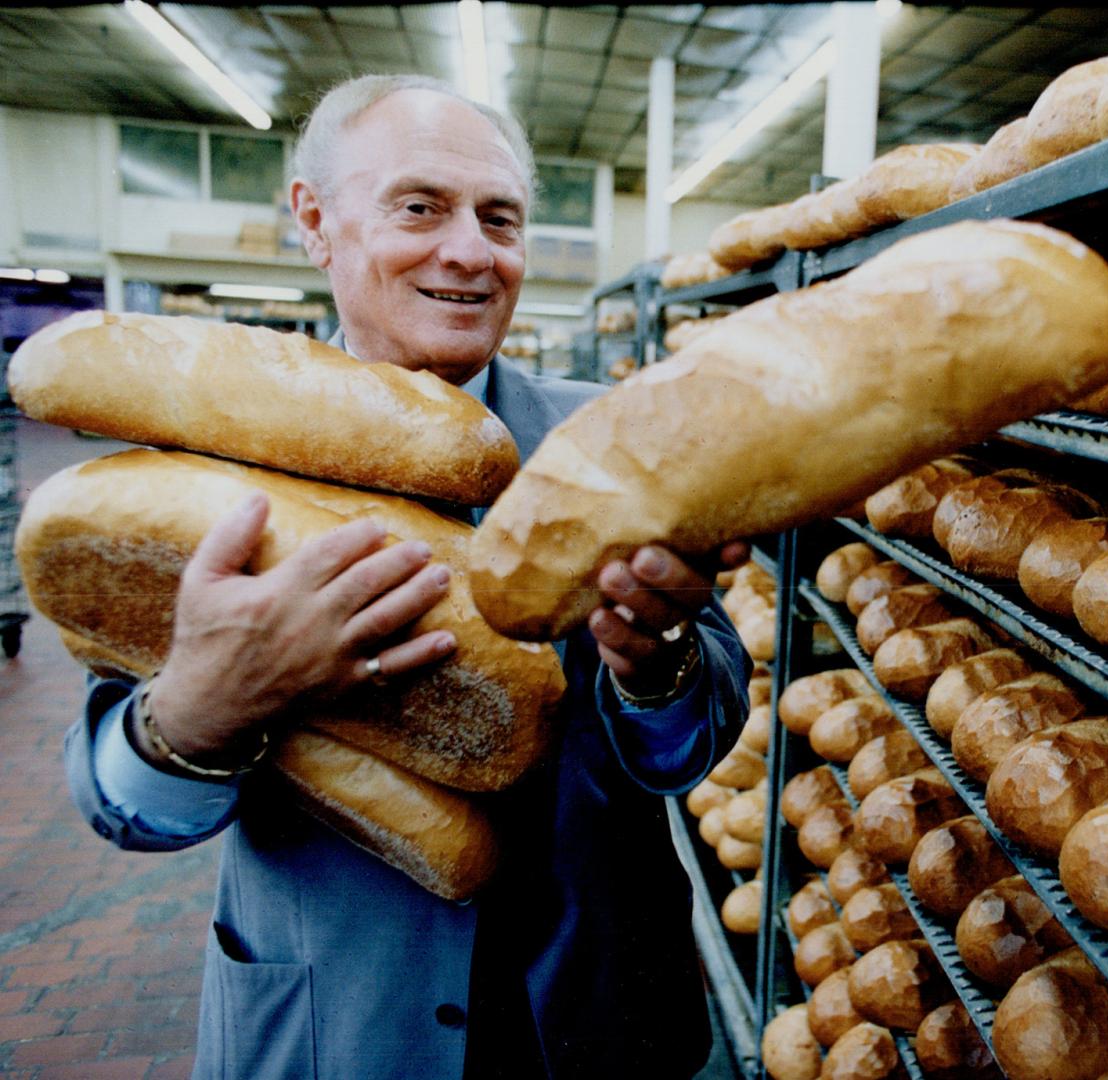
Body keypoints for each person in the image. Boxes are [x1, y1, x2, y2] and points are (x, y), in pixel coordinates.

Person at [64, 74, 753, 1080]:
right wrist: (200, 710)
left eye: (500, 218)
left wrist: (656, 667)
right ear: (315, 219)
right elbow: (117, 800)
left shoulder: (616, 437)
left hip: (600, 1016)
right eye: (420, 207)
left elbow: (698, 743)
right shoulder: (206, 461)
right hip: (337, 1022)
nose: (470, 250)